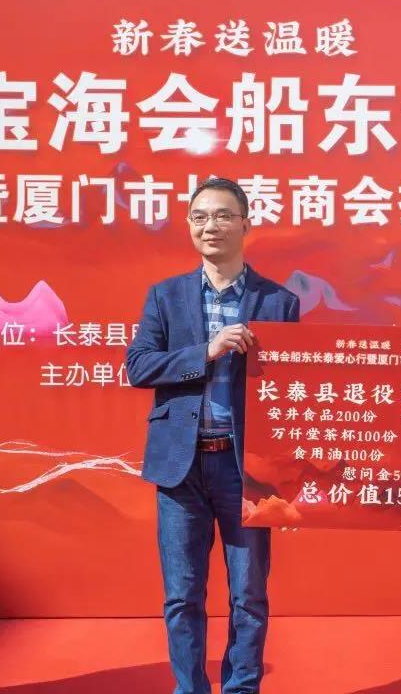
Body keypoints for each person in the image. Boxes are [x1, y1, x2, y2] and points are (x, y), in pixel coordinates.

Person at [125, 177, 301, 694]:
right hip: (181, 467)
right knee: (182, 595)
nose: (211, 226)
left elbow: (294, 384)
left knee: (249, 593)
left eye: (223, 215)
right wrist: (207, 350)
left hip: (245, 468)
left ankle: (242, 687)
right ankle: (190, 689)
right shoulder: (165, 296)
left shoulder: (279, 301)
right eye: (200, 217)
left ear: (246, 224)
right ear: (189, 225)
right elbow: (138, 366)